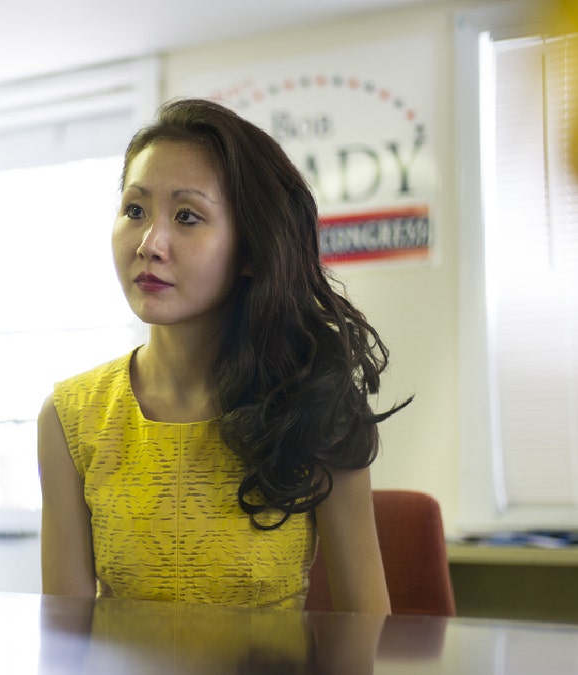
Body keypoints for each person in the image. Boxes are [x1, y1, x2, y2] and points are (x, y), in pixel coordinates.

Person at [38, 98, 410, 612]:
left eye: (187, 216)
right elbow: (67, 640)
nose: (150, 243)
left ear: (252, 251)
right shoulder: (69, 418)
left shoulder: (315, 403)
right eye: (134, 210)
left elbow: (365, 631)